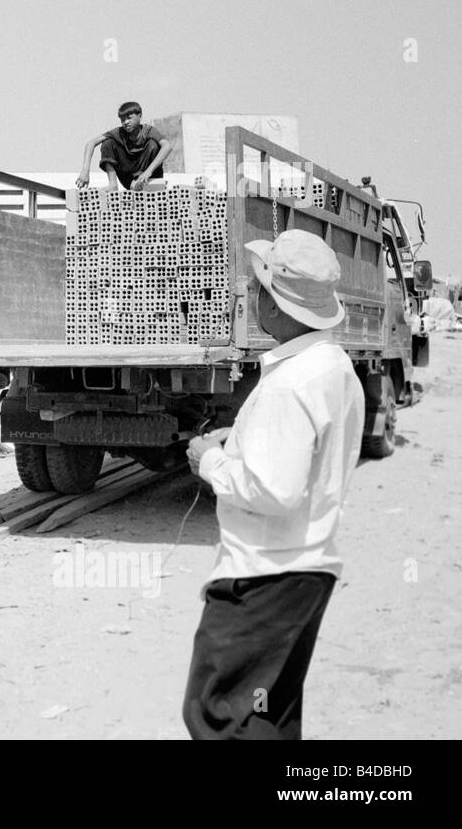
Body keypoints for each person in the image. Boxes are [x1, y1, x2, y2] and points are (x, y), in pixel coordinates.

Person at [183, 230, 363, 740]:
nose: (252, 297)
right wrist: (239, 439)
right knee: (267, 715)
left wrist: (212, 460)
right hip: (304, 571)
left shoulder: (291, 383)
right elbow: (301, 457)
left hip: (266, 576)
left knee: (222, 716)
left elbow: (276, 491)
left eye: (260, 289)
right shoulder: (332, 368)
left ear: (279, 307)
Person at [76, 101, 172, 191]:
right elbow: (91, 143)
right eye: (122, 120)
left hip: (149, 178)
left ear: (140, 116)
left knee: (153, 144)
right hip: (129, 178)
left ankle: (144, 181)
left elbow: (167, 146)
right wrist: (85, 171)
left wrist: (148, 171)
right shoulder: (119, 132)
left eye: (129, 118)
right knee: (107, 143)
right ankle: (112, 185)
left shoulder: (149, 131)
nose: (126, 122)